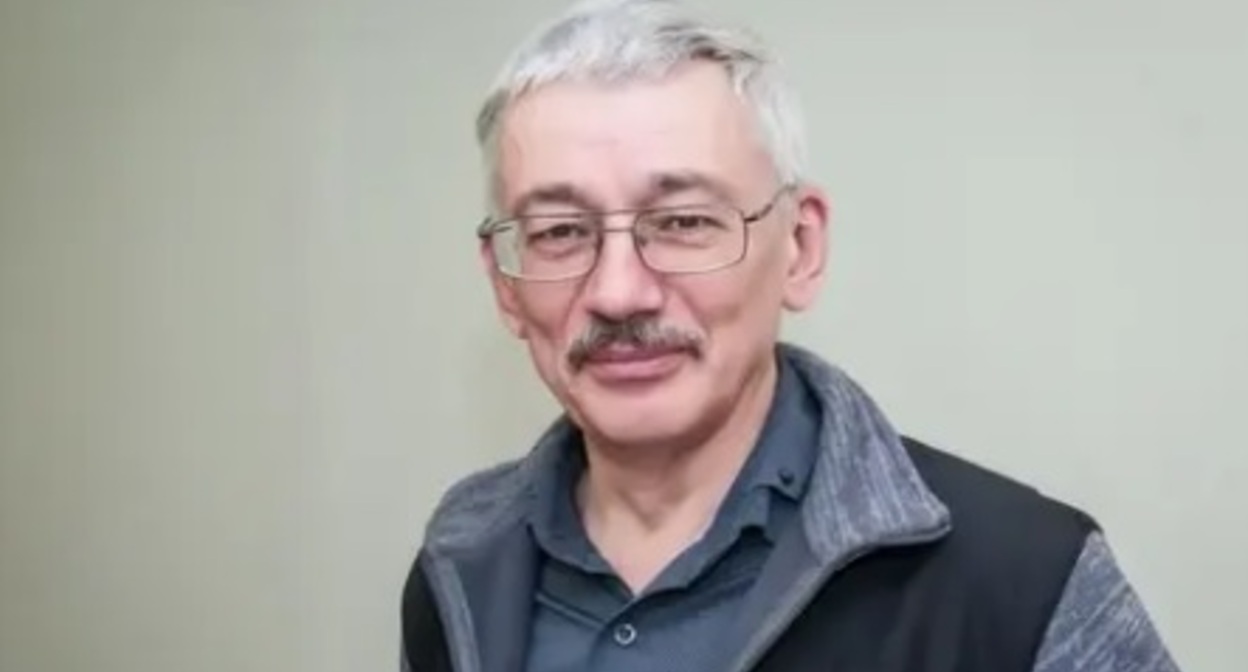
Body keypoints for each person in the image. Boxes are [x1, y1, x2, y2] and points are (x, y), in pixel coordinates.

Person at [400, 1, 1180, 670]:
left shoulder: (1024, 586)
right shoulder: (459, 571)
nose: (618, 292)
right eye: (560, 233)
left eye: (682, 222)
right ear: (504, 283)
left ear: (800, 249)